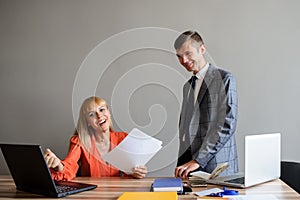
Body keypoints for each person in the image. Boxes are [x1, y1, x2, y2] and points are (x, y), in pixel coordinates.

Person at [174, 30, 238, 178]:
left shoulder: (224, 79)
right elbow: (185, 130)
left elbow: (227, 125)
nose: (183, 60)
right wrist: (181, 164)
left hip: (217, 167)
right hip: (189, 169)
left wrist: (198, 160)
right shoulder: (187, 86)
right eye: (179, 56)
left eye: (188, 53)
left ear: (202, 49)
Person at [44, 96, 147, 180]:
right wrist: (58, 166)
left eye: (102, 110)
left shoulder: (123, 139)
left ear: (109, 113)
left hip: (119, 192)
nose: (99, 116)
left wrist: (138, 172)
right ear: (87, 122)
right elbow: (69, 168)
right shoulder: (79, 142)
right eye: (92, 114)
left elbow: (132, 170)